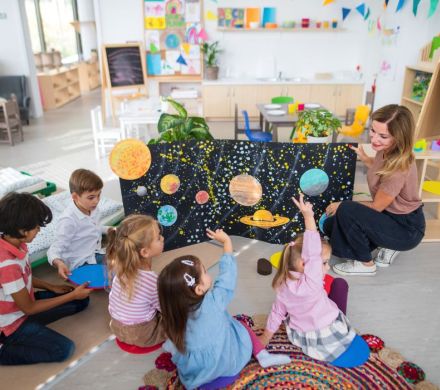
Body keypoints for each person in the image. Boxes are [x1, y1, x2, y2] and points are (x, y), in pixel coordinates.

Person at [158, 229, 290, 389]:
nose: (208, 274)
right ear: (199, 289)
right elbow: (227, 277)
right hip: (228, 367)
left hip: (196, 376)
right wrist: (227, 243)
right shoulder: (214, 302)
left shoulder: (173, 313)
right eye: (205, 272)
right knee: (240, 324)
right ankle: (263, 354)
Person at [324, 105, 425, 276]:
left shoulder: (399, 168)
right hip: (389, 215)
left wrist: (341, 204)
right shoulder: (386, 150)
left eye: (383, 136)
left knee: (347, 209)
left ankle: (366, 264)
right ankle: (385, 243)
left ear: (399, 138)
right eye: (372, 130)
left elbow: (376, 206)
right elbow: (381, 169)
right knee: (329, 226)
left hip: (405, 227)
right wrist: (365, 158)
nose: (374, 139)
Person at [258, 194, 356, 362]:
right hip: (327, 331)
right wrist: (308, 217)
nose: (328, 267)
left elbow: (277, 313)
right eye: (324, 262)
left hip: (301, 334)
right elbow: (312, 250)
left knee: (328, 283)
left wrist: (266, 337)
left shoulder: (282, 284)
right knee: (339, 284)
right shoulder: (312, 281)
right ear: (306, 264)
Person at [0, 193, 91, 365]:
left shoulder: (18, 244)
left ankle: (34, 328)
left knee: (82, 301)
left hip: (24, 306)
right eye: (36, 226)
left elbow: (24, 276)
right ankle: (4, 350)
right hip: (12, 324)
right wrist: (71, 295)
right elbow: (29, 308)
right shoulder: (7, 264)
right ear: (21, 229)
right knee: (64, 349)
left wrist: (52, 287)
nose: (39, 230)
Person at [107, 215, 166, 347]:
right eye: (158, 237)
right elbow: (165, 308)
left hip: (116, 327)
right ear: (144, 252)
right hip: (143, 335)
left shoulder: (119, 270)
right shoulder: (152, 281)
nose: (162, 238)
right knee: (180, 313)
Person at [47, 169, 109, 279]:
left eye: (99, 195)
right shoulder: (68, 221)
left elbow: (94, 228)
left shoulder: (93, 208)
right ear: (75, 197)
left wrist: (111, 229)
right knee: (113, 275)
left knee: (126, 257)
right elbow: (54, 249)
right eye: (91, 197)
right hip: (80, 263)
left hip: (95, 253)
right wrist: (59, 263)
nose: (96, 201)